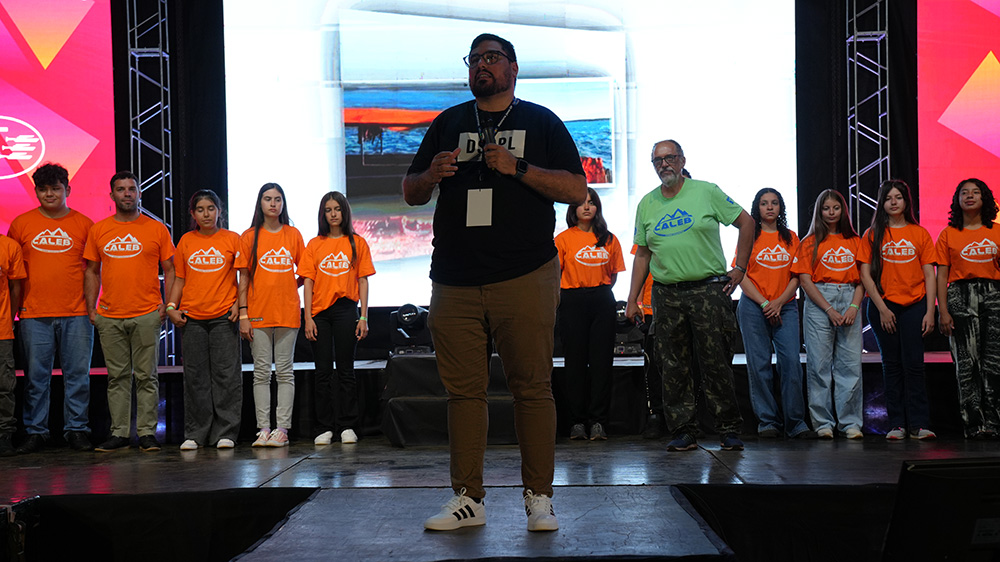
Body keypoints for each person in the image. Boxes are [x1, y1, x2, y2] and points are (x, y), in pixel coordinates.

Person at [403, 33, 586, 532]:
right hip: (454, 278)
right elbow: (411, 190)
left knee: (533, 389)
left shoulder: (541, 121)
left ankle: (539, 498)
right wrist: (431, 175)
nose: (481, 65)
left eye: (491, 57)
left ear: (513, 68)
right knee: (463, 393)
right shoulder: (449, 122)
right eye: (474, 59)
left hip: (524, 274)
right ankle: (468, 499)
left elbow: (576, 188)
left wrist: (517, 167)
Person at [625, 140, 754, 453]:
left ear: (682, 160)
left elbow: (747, 222)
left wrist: (740, 268)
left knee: (716, 362)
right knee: (673, 365)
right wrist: (632, 299)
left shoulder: (706, 191)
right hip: (666, 294)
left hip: (708, 290)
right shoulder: (647, 203)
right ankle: (684, 431)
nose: (664, 164)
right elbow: (643, 254)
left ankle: (728, 429)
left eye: (669, 158)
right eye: (657, 160)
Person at [84, 171, 175, 452]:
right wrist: (91, 309)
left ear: (139, 193)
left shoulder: (156, 229)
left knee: (147, 377)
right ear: (112, 195)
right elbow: (91, 271)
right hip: (109, 315)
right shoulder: (99, 230)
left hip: (146, 313)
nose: (127, 194)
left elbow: (171, 269)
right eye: (121, 189)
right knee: (117, 378)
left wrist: (167, 305)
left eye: (131, 189)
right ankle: (120, 434)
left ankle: (147, 433)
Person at [8, 163, 95, 453]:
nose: (49, 194)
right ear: (36, 191)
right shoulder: (21, 224)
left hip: (77, 313)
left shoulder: (85, 224)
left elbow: (93, 271)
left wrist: (92, 307)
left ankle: (77, 430)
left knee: (78, 377)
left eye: (55, 188)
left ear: (67, 189)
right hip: (33, 314)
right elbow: (13, 273)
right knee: (36, 379)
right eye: (43, 189)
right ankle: (36, 432)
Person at [858, 180, 937, 441]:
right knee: (891, 365)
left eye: (898, 197)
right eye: (888, 198)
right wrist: (881, 308)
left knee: (914, 365)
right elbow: (865, 275)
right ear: (881, 203)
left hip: (914, 305)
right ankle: (897, 425)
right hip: (883, 306)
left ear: (906, 201)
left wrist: (930, 311)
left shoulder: (919, 233)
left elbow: (929, 274)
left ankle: (919, 424)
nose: (893, 202)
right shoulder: (872, 234)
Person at [166, 190, 242, 450]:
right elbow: (180, 278)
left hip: (223, 317)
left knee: (226, 377)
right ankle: (196, 433)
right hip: (192, 318)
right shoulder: (186, 241)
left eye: (211, 208)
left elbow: (243, 278)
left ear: (219, 211)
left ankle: (226, 433)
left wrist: (238, 304)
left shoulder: (233, 239)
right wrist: (171, 306)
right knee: (195, 377)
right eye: (200, 209)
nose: (206, 214)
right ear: (193, 214)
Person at [736, 188, 815, 439]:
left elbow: (797, 275)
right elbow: (741, 275)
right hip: (753, 307)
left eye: (774, 203)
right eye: (764, 203)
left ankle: (795, 423)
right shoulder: (749, 236)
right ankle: (767, 421)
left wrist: (779, 303)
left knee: (791, 362)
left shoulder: (791, 237)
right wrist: (764, 304)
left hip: (786, 306)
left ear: (781, 207)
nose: (769, 207)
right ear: (756, 208)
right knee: (759, 366)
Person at [301, 191, 375, 446]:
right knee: (322, 371)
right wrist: (308, 317)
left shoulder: (357, 243)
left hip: (346, 309)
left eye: (337, 209)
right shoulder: (314, 244)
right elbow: (308, 282)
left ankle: (348, 425)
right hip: (319, 314)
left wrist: (363, 316)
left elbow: (363, 281)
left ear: (345, 212)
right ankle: (324, 426)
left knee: (346, 370)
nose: (333, 214)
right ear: (323, 214)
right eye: (328, 210)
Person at [791, 189, 864, 440]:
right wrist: (829, 309)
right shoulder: (809, 242)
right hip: (820, 300)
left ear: (843, 210)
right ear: (819, 212)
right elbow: (805, 280)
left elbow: (864, 278)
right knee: (819, 365)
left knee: (850, 365)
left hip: (850, 297)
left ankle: (850, 423)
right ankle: (823, 423)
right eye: (826, 208)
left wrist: (854, 307)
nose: (831, 213)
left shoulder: (855, 241)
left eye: (836, 208)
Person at [237, 183, 304, 448]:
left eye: (277, 199)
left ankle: (282, 430)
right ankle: (263, 429)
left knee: (285, 372)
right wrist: (243, 313)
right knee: (261, 373)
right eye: (268, 199)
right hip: (257, 313)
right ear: (260, 203)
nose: (273, 204)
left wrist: (289, 286)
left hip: (287, 312)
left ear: (283, 203)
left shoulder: (293, 234)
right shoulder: (248, 237)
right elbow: (243, 278)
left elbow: (306, 272)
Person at [554, 187, 624, 441]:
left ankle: (598, 422)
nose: (587, 207)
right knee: (574, 362)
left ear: (597, 208)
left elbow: (613, 275)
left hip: (602, 300)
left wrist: (598, 291)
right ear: (573, 209)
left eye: (591, 202)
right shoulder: (563, 239)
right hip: (572, 301)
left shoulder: (609, 239)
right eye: (581, 203)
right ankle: (577, 422)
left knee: (601, 363)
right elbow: (556, 274)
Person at [936, 178, 1000, 439]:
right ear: (958, 199)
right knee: (966, 363)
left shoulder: (997, 231)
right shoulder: (948, 234)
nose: (970, 196)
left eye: (976, 192)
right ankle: (973, 424)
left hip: (994, 295)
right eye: (965, 192)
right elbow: (942, 275)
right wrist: (943, 311)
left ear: (985, 198)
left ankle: (994, 422)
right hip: (960, 296)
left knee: (994, 362)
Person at [0, 232, 26, 457]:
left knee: (4, 387)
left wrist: (9, 320)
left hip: (1, 331)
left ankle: (4, 436)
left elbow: (15, 287)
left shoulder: (9, 246)